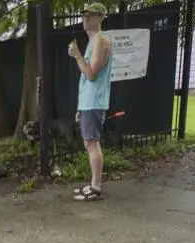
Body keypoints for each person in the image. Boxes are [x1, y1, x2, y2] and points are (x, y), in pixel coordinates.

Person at [69, 2, 113, 201]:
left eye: (90, 15)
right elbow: (86, 78)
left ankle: (96, 188)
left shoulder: (101, 41)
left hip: (94, 101)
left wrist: (77, 56)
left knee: (92, 144)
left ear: (100, 17)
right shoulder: (94, 41)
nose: (85, 18)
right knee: (90, 143)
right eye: (84, 15)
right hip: (89, 102)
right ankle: (94, 185)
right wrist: (80, 106)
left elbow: (91, 74)